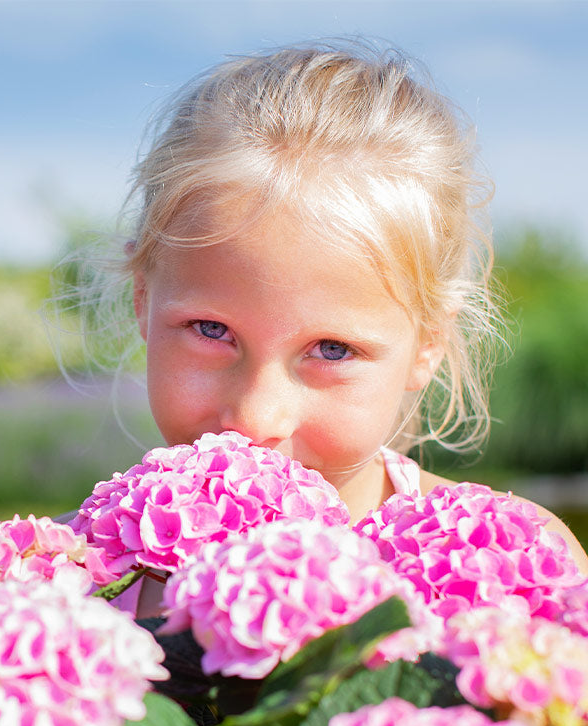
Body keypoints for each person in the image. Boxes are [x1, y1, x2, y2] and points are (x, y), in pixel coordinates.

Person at [59, 40, 588, 615]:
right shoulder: (54, 581)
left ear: (428, 344)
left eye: (331, 349)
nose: (256, 419)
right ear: (143, 300)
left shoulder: (510, 571)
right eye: (211, 330)